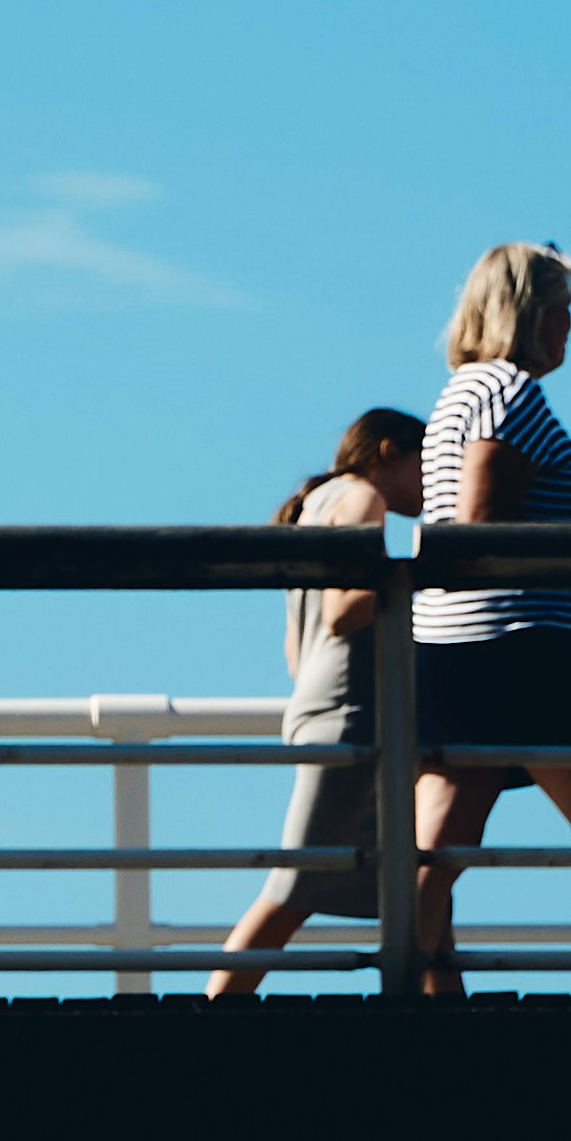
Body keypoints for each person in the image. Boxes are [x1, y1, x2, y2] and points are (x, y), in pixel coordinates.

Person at [411, 242, 571, 1000]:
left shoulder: (464, 389)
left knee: (441, 842)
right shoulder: (506, 393)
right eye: (562, 308)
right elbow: (481, 529)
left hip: (457, 646)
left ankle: (418, 988)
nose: (569, 326)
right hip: (517, 654)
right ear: (526, 312)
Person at [207, 409, 425, 1001]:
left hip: (318, 707)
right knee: (294, 891)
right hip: (349, 718)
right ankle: (211, 1010)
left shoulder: (313, 506)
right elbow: (344, 609)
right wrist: (417, 579)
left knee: (416, 883)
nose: (431, 483)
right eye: (423, 463)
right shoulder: (361, 499)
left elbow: (296, 647)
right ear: (389, 452)